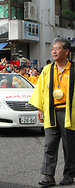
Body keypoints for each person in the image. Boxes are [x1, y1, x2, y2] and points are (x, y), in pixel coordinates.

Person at [29, 37, 75, 186]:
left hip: (69, 113)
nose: (54, 51)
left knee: (70, 146)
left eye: (57, 48)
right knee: (49, 145)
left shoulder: (73, 69)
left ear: (66, 51)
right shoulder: (47, 70)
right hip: (51, 112)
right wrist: (40, 108)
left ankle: (69, 175)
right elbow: (40, 90)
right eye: (52, 49)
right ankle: (48, 176)